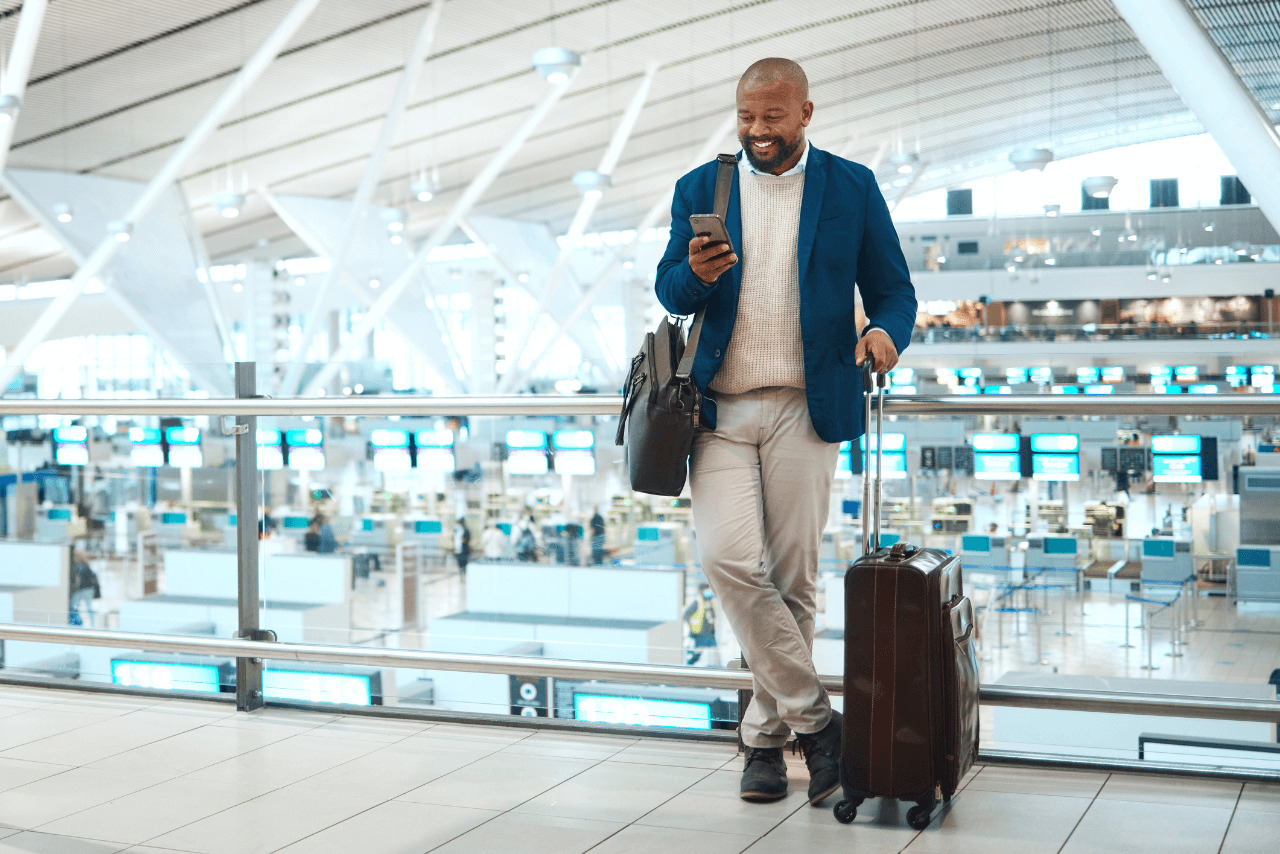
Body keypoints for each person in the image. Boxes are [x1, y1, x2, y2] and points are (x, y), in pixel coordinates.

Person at [655, 58, 916, 806]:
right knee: (730, 561)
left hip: (808, 405)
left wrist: (888, 334)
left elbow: (894, 291)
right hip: (719, 411)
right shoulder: (702, 189)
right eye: (746, 116)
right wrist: (696, 274)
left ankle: (763, 746)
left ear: (805, 112)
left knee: (794, 582)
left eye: (772, 117)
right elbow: (670, 290)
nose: (757, 131)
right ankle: (819, 728)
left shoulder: (851, 186)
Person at [683, 584, 718, 666]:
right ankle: (689, 665)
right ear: (701, 591)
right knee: (698, 652)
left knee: (713, 652)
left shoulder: (709, 601)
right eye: (707, 590)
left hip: (710, 632)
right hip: (701, 633)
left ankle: (713, 668)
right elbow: (686, 615)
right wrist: (692, 627)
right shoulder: (698, 602)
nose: (709, 592)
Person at [68, 548, 100, 627]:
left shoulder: (77, 566)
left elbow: (77, 580)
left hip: (81, 590)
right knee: (89, 607)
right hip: (89, 590)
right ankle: (92, 624)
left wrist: (74, 590)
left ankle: (76, 623)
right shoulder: (87, 565)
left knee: (75, 606)